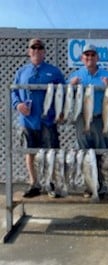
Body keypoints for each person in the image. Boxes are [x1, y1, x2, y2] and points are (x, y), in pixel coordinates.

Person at [12, 38, 65, 198]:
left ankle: (50, 183)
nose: (36, 50)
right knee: (30, 152)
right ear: (29, 51)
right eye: (33, 47)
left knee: (51, 153)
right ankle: (33, 183)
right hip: (27, 121)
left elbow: (63, 94)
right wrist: (18, 105)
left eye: (39, 47)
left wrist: (61, 112)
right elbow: (13, 92)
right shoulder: (21, 72)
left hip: (48, 120)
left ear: (44, 51)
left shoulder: (54, 71)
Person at [68, 44, 108, 149]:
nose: (89, 57)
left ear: (97, 58)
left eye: (92, 55)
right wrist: (71, 85)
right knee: (84, 153)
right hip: (82, 117)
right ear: (82, 58)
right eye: (87, 55)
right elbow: (64, 97)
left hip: (101, 118)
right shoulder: (75, 75)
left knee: (103, 152)